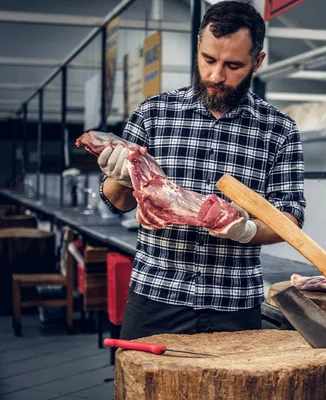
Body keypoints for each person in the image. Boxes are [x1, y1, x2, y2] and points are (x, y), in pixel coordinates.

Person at [98, 0, 306, 340]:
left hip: (234, 304)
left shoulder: (279, 130)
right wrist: (120, 179)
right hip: (156, 297)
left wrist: (246, 230)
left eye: (233, 65)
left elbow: (290, 219)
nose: (215, 75)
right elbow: (118, 203)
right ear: (198, 46)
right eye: (208, 59)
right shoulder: (153, 113)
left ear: (258, 62)